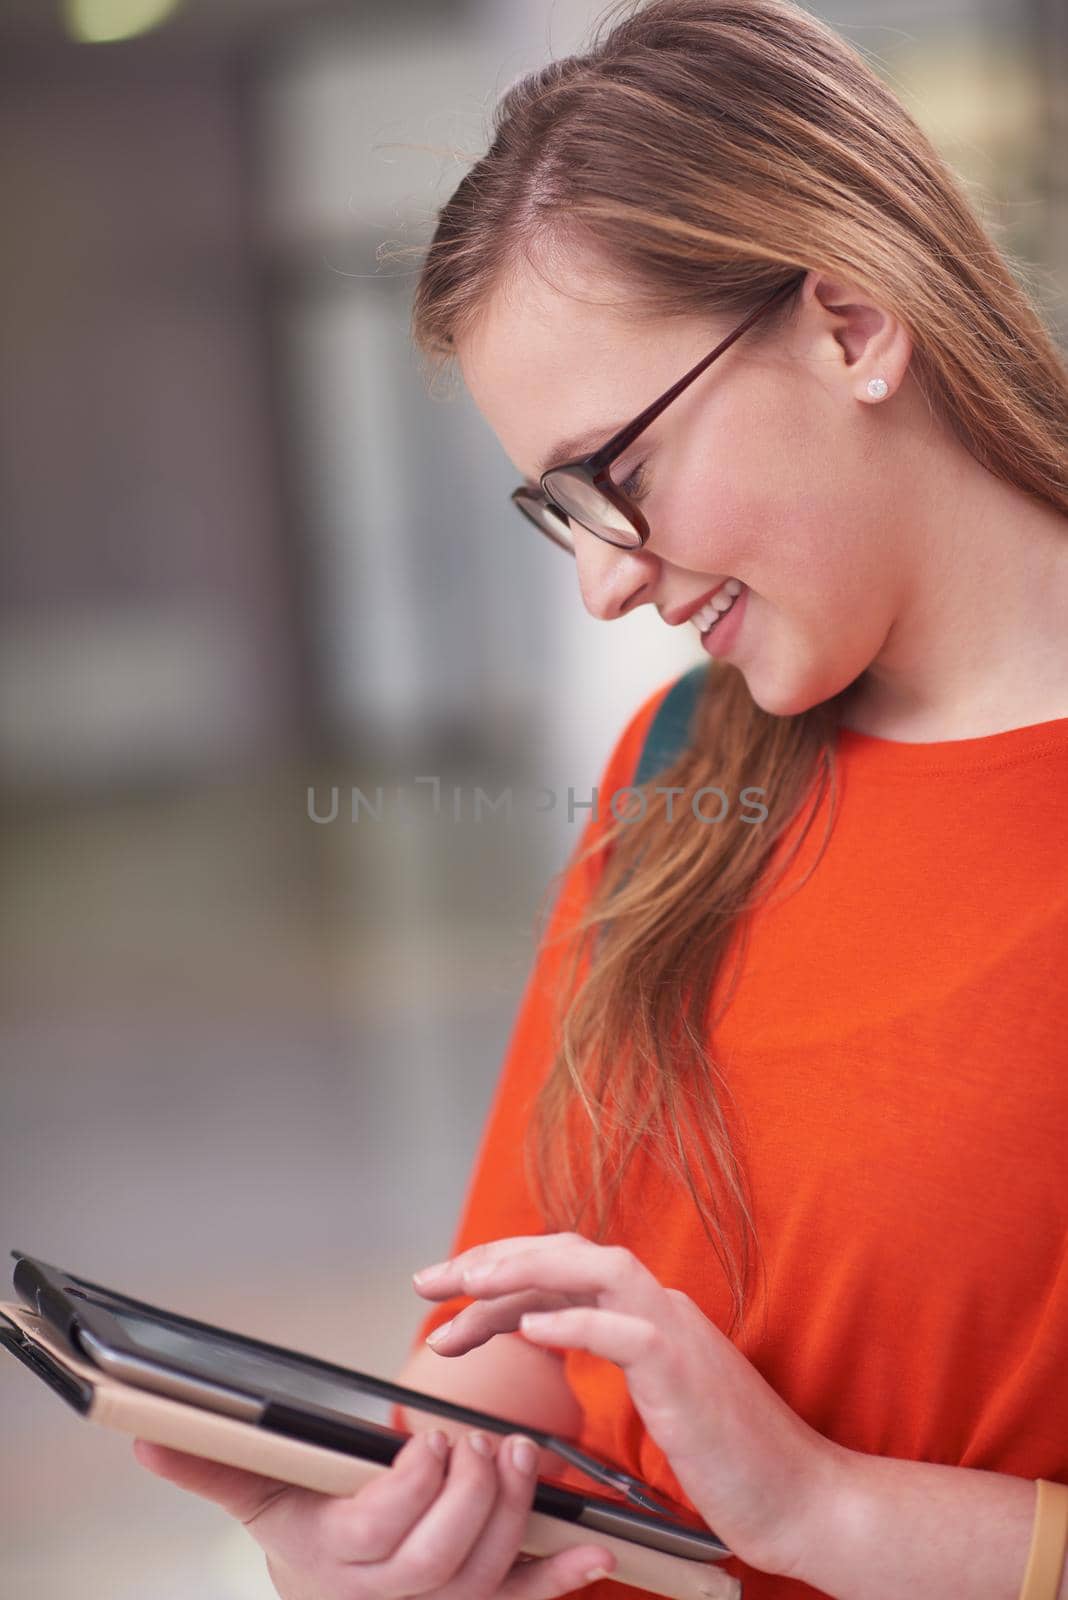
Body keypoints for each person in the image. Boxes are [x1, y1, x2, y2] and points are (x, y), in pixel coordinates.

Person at [133, 0, 1068, 1596]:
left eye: (616, 478)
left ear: (848, 323)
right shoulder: (679, 763)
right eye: (553, 512)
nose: (603, 584)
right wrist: (386, 1519)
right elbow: (533, 1348)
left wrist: (832, 1512)